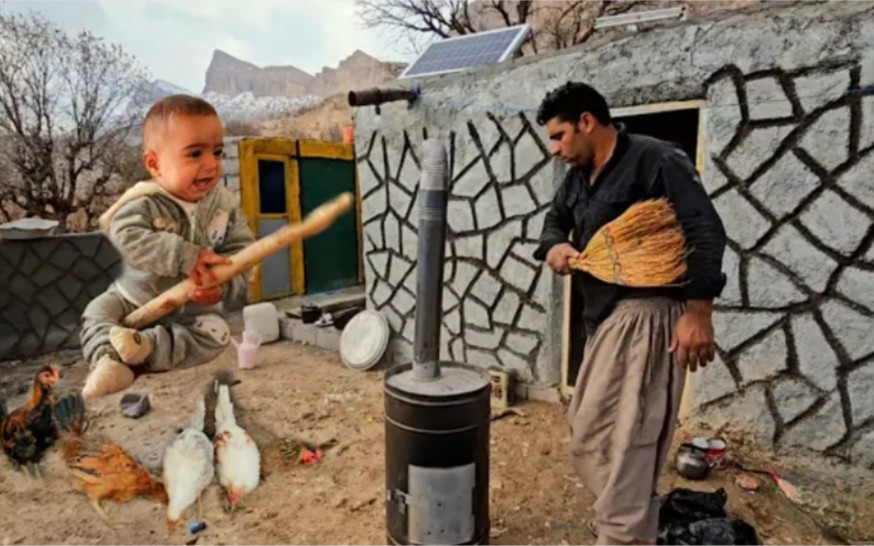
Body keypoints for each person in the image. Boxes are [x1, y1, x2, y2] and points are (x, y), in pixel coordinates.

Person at [533, 82, 727, 545]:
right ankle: (630, 519)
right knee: (590, 436)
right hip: (604, 325)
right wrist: (554, 246)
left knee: (627, 446)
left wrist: (698, 313)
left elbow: (706, 229)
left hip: (647, 319)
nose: (555, 149)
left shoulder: (656, 159)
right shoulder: (578, 177)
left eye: (559, 136)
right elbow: (554, 220)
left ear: (586, 122)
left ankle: (624, 531)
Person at [79, 94, 255, 401]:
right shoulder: (144, 202)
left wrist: (222, 287)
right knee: (97, 312)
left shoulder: (224, 207)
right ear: (154, 164)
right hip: (133, 298)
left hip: (188, 311)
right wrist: (187, 256)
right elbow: (128, 236)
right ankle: (107, 362)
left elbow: (242, 254)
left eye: (217, 152)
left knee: (217, 334)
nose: (211, 164)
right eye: (195, 154)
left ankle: (145, 348)